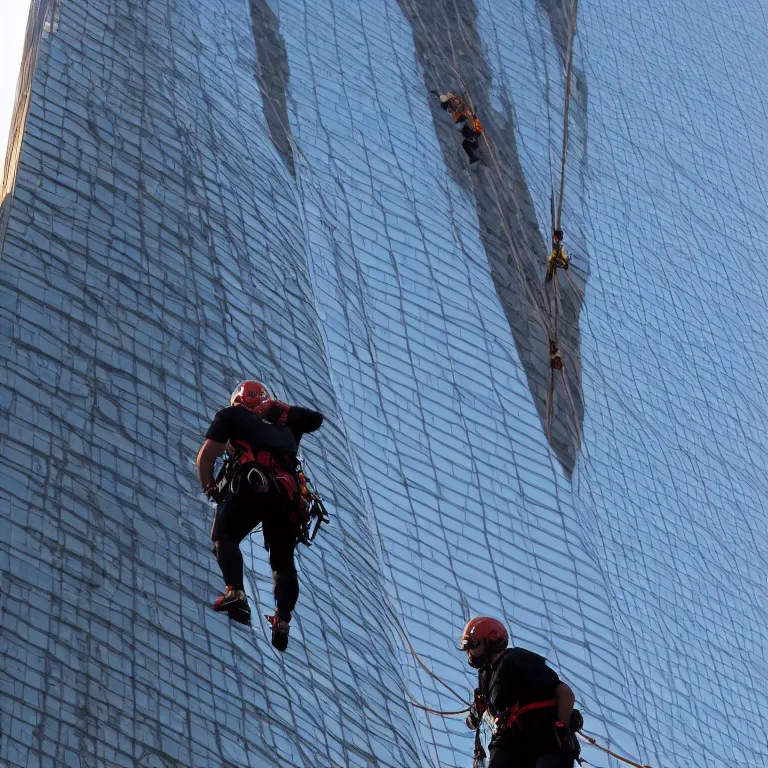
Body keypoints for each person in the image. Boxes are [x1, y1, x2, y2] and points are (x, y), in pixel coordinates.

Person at [196, 380, 324, 650]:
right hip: (287, 497)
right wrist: (282, 410)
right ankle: (282, 620)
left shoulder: (231, 415)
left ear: (240, 400)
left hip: (252, 484)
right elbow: (316, 419)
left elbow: (206, 457)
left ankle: (236, 593)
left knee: (224, 537)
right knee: (283, 561)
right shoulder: (288, 422)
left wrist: (209, 487)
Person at [459, 617, 582, 768]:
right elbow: (486, 705)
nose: (470, 652)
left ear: (491, 641)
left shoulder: (518, 659)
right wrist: (474, 716)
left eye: (474, 645)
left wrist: (562, 728)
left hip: (545, 738)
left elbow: (564, 692)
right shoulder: (487, 675)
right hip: (514, 742)